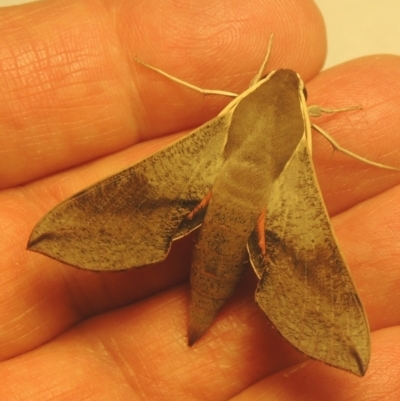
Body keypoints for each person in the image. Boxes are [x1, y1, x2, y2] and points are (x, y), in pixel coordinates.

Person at [1, 0, 399, 399]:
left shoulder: (235, 102)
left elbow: (206, 89)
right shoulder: (312, 128)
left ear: (253, 87)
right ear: (309, 107)